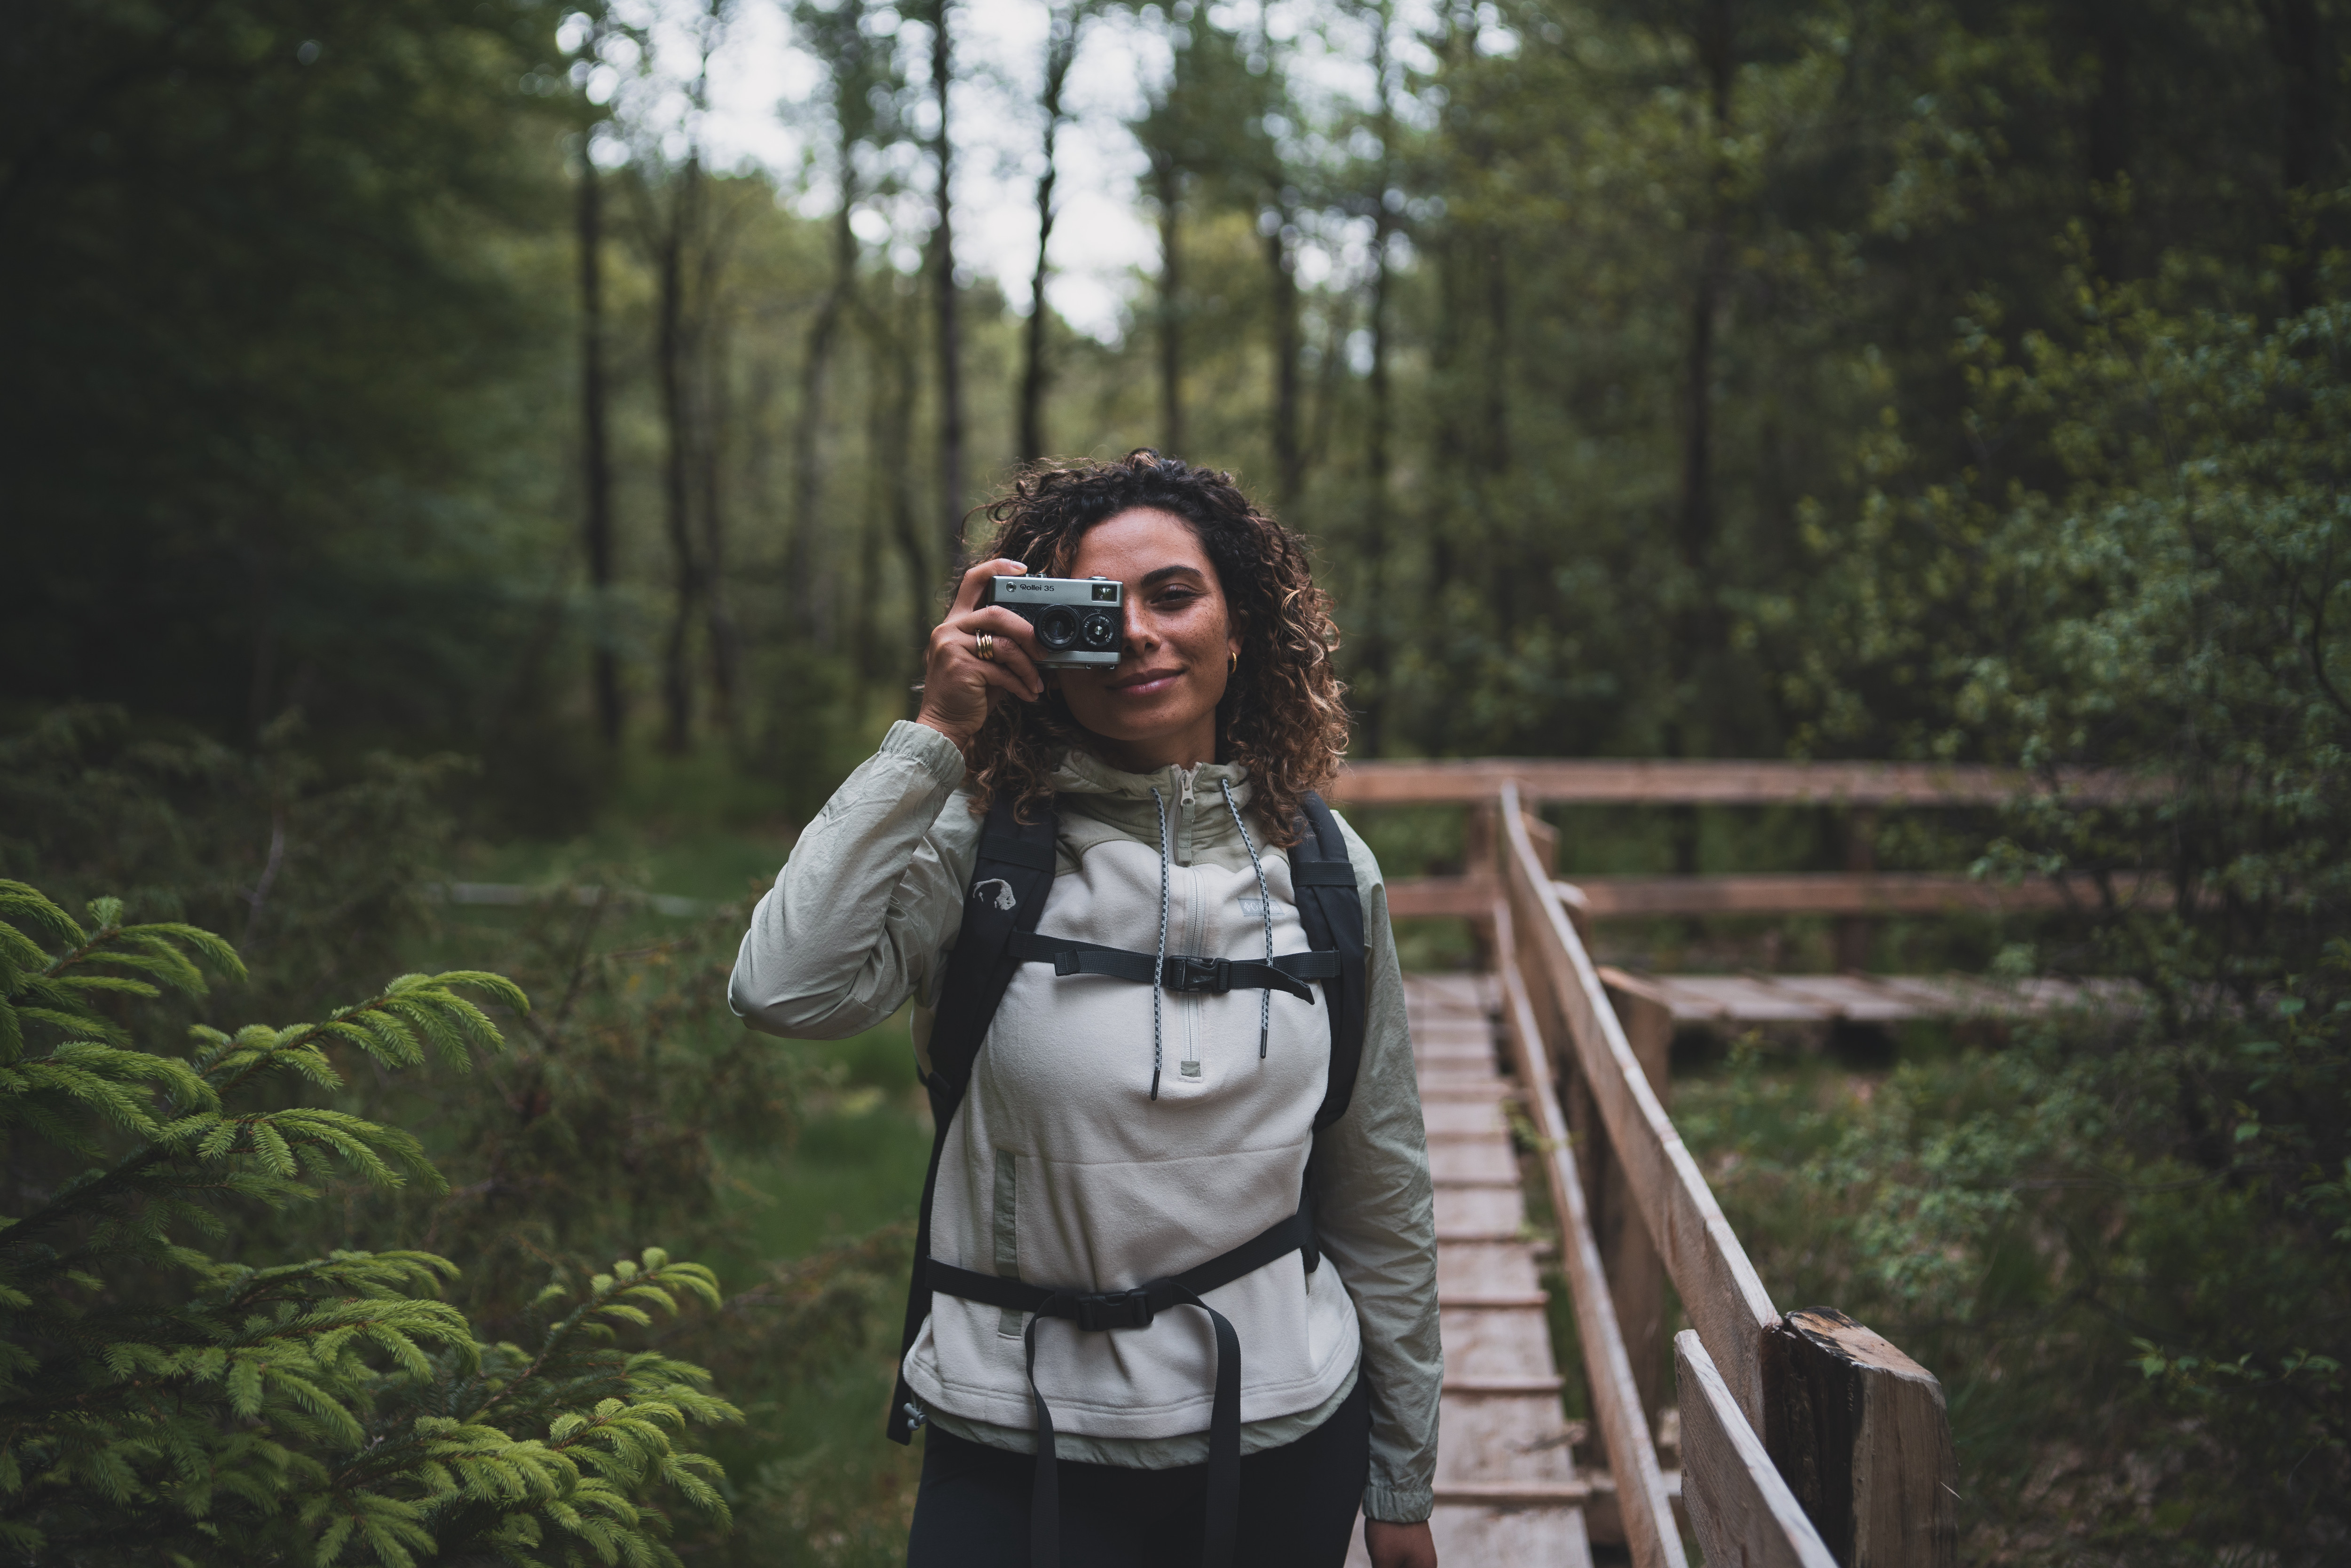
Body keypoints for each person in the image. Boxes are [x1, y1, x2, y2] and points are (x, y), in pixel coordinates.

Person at [729, 451, 1440, 1568]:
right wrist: (931, 737)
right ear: (1037, 646)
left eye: (1174, 595)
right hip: (1013, 1434)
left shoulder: (1327, 871)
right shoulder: (982, 844)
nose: (1142, 637)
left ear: (1240, 625)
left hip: (1283, 1430)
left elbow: (1378, 1181)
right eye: (1096, 611)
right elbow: (783, 989)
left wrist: (1400, 1480)